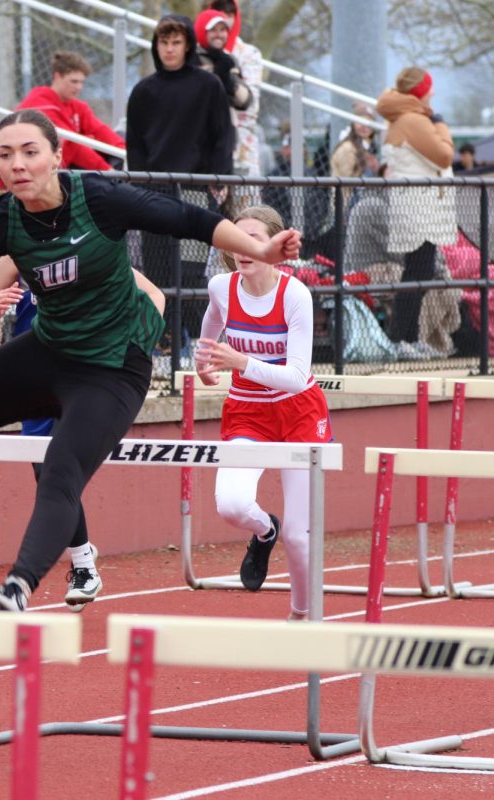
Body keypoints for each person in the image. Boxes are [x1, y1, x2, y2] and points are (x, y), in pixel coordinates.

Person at [0, 109, 302, 611]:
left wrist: (263, 253)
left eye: (30, 152)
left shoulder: (99, 198)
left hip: (114, 365)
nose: (18, 165)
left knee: (60, 468)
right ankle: (64, 419)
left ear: (55, 157)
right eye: (5, 155)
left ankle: (19, 585)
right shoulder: (3, 220)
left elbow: (190, 221)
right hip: (51, 351)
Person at [0, 254, 162, 611]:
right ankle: (84, 556)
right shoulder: (15, 258)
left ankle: (84, 568)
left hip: (88, 376)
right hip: (36, 379)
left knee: (62, 473)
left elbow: (155, 297)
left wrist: (136, 343)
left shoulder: (96, 249)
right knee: (45, 474)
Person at [193, 205, 331, 621]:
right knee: (231, 506)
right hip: (248, 412)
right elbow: (211, 321)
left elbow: (296, 376)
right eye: (238, 239)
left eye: (256, 240)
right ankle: (263, 530)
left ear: (275, 246)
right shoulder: (221, 286)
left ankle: (301, 615)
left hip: (298, 413)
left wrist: (238, 362)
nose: (245, 249)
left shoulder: (295, 295)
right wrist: (203, 357)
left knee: (300, 536)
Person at [126, 14, 232, 375]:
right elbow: (135, 146)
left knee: (188, 272)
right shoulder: (143, 91)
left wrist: (220, 177)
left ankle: (197, 347)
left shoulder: (208, 85)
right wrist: (139, 186)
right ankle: (164, 347)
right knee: (156, 273)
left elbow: (222, 135)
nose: (169, 49)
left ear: (187, 45)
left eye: (175, 42)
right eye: (162, 43)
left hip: (194, 191)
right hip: (153, 191)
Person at [375, 66, 457, 360]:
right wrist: (442, 127)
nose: (433, 93)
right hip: (419, 208)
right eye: (429, 88)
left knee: (419, 271)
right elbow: (445, 155)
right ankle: (400, 338)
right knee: (417, 272)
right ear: (420, 91)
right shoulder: (413, 120)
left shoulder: (404, 117)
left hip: (418, 206)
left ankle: (408, 337)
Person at [16, 50, 125, 172]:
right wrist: (108, 171)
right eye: (74, 81)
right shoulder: (40, 105)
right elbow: (72, 144)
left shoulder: (75, 105)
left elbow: (99, 129)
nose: (79, 87)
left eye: (82, 82)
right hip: (47, 168)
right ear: (57, 77)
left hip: (68, 162)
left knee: (120, 138)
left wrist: (124, 151)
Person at [207, 0, 264, 182]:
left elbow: (250, 104)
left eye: (230, 14)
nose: (225, 19)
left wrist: (228, 80)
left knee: (245, 207)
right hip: (208, 143)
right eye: (219, 12)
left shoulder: (249, 54)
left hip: (241, 144)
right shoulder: (198, 54)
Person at [193, 10, 251, 115]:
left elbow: (246, 102)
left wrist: (230, 83)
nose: (219, 35)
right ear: (202, 31)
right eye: (213, 30)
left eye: (223, 30)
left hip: (224, 127)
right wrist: (215, 75)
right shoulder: (191, 58)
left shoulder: (229, 60)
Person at [330, 101, 379, 210]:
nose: (364, 126)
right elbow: (347, 183)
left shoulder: (367, 148)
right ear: (353, 123)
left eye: (369, 122)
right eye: (360, 121)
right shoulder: (348, 148)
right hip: (347, 208)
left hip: (363, 207)